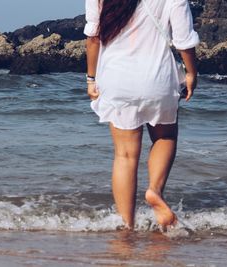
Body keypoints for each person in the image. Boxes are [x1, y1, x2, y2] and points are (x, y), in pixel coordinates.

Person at [84, 0, 199, 229]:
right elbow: (183, 40)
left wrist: (91, 78)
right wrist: (191, 73)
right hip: (157, 77)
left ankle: (127, 227)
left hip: (117, 78)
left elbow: (93, 38)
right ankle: (154, 191)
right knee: (165, 137)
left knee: (125, 155)